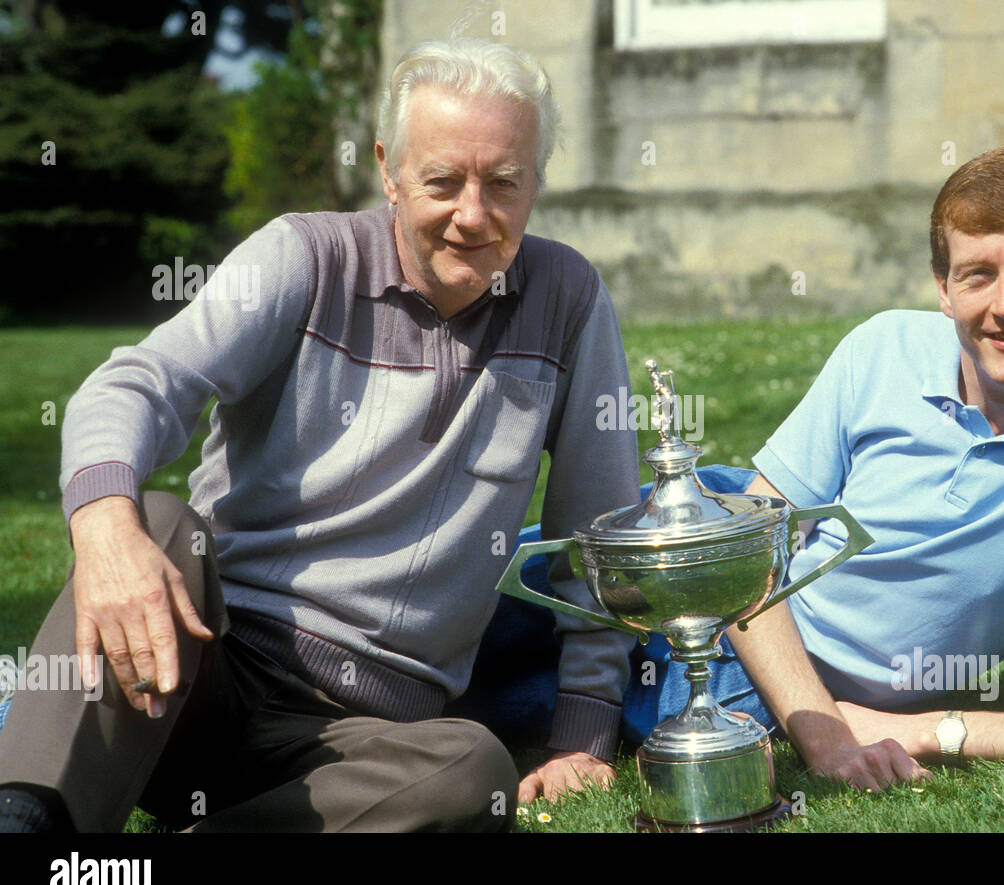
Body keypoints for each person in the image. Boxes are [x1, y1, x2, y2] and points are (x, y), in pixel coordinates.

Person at [0, 38, 640, 832]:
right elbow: (138, 381)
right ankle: (28, 822)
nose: (473, 215)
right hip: (196, 669)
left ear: (536, 181)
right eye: (442, 181)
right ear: (388, 168)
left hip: (364, 742)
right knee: (157, 525)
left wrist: (583, 734)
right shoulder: (303, 257)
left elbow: (602, 533)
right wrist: (101, 527)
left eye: (504, 183)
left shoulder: (570, 300)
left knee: (476, 770)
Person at [627, 145, 1004, 794]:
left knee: (520, 690)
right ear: (943, 288)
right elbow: (747, 556)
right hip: (720, 549)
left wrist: (929, 730)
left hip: (752, 676)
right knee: (510, 589)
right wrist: (828, 735)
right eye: (976, 275)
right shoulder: (880, 349)